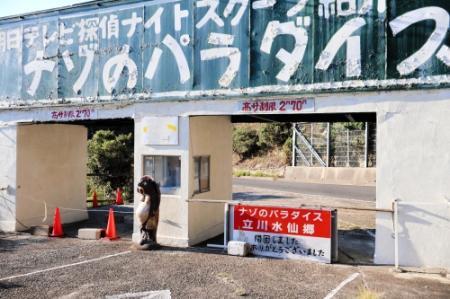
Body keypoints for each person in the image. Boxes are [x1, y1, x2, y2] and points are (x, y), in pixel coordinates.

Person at [136, 175, 161, 248]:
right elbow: (139, 188)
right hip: (146, 213)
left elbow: (154, 203)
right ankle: (144, 237)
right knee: (144, 227)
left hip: (150, 212)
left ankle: (150, 239)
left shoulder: (152, 193)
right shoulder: (146, 193)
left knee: (150, 226)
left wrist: (152, 212)